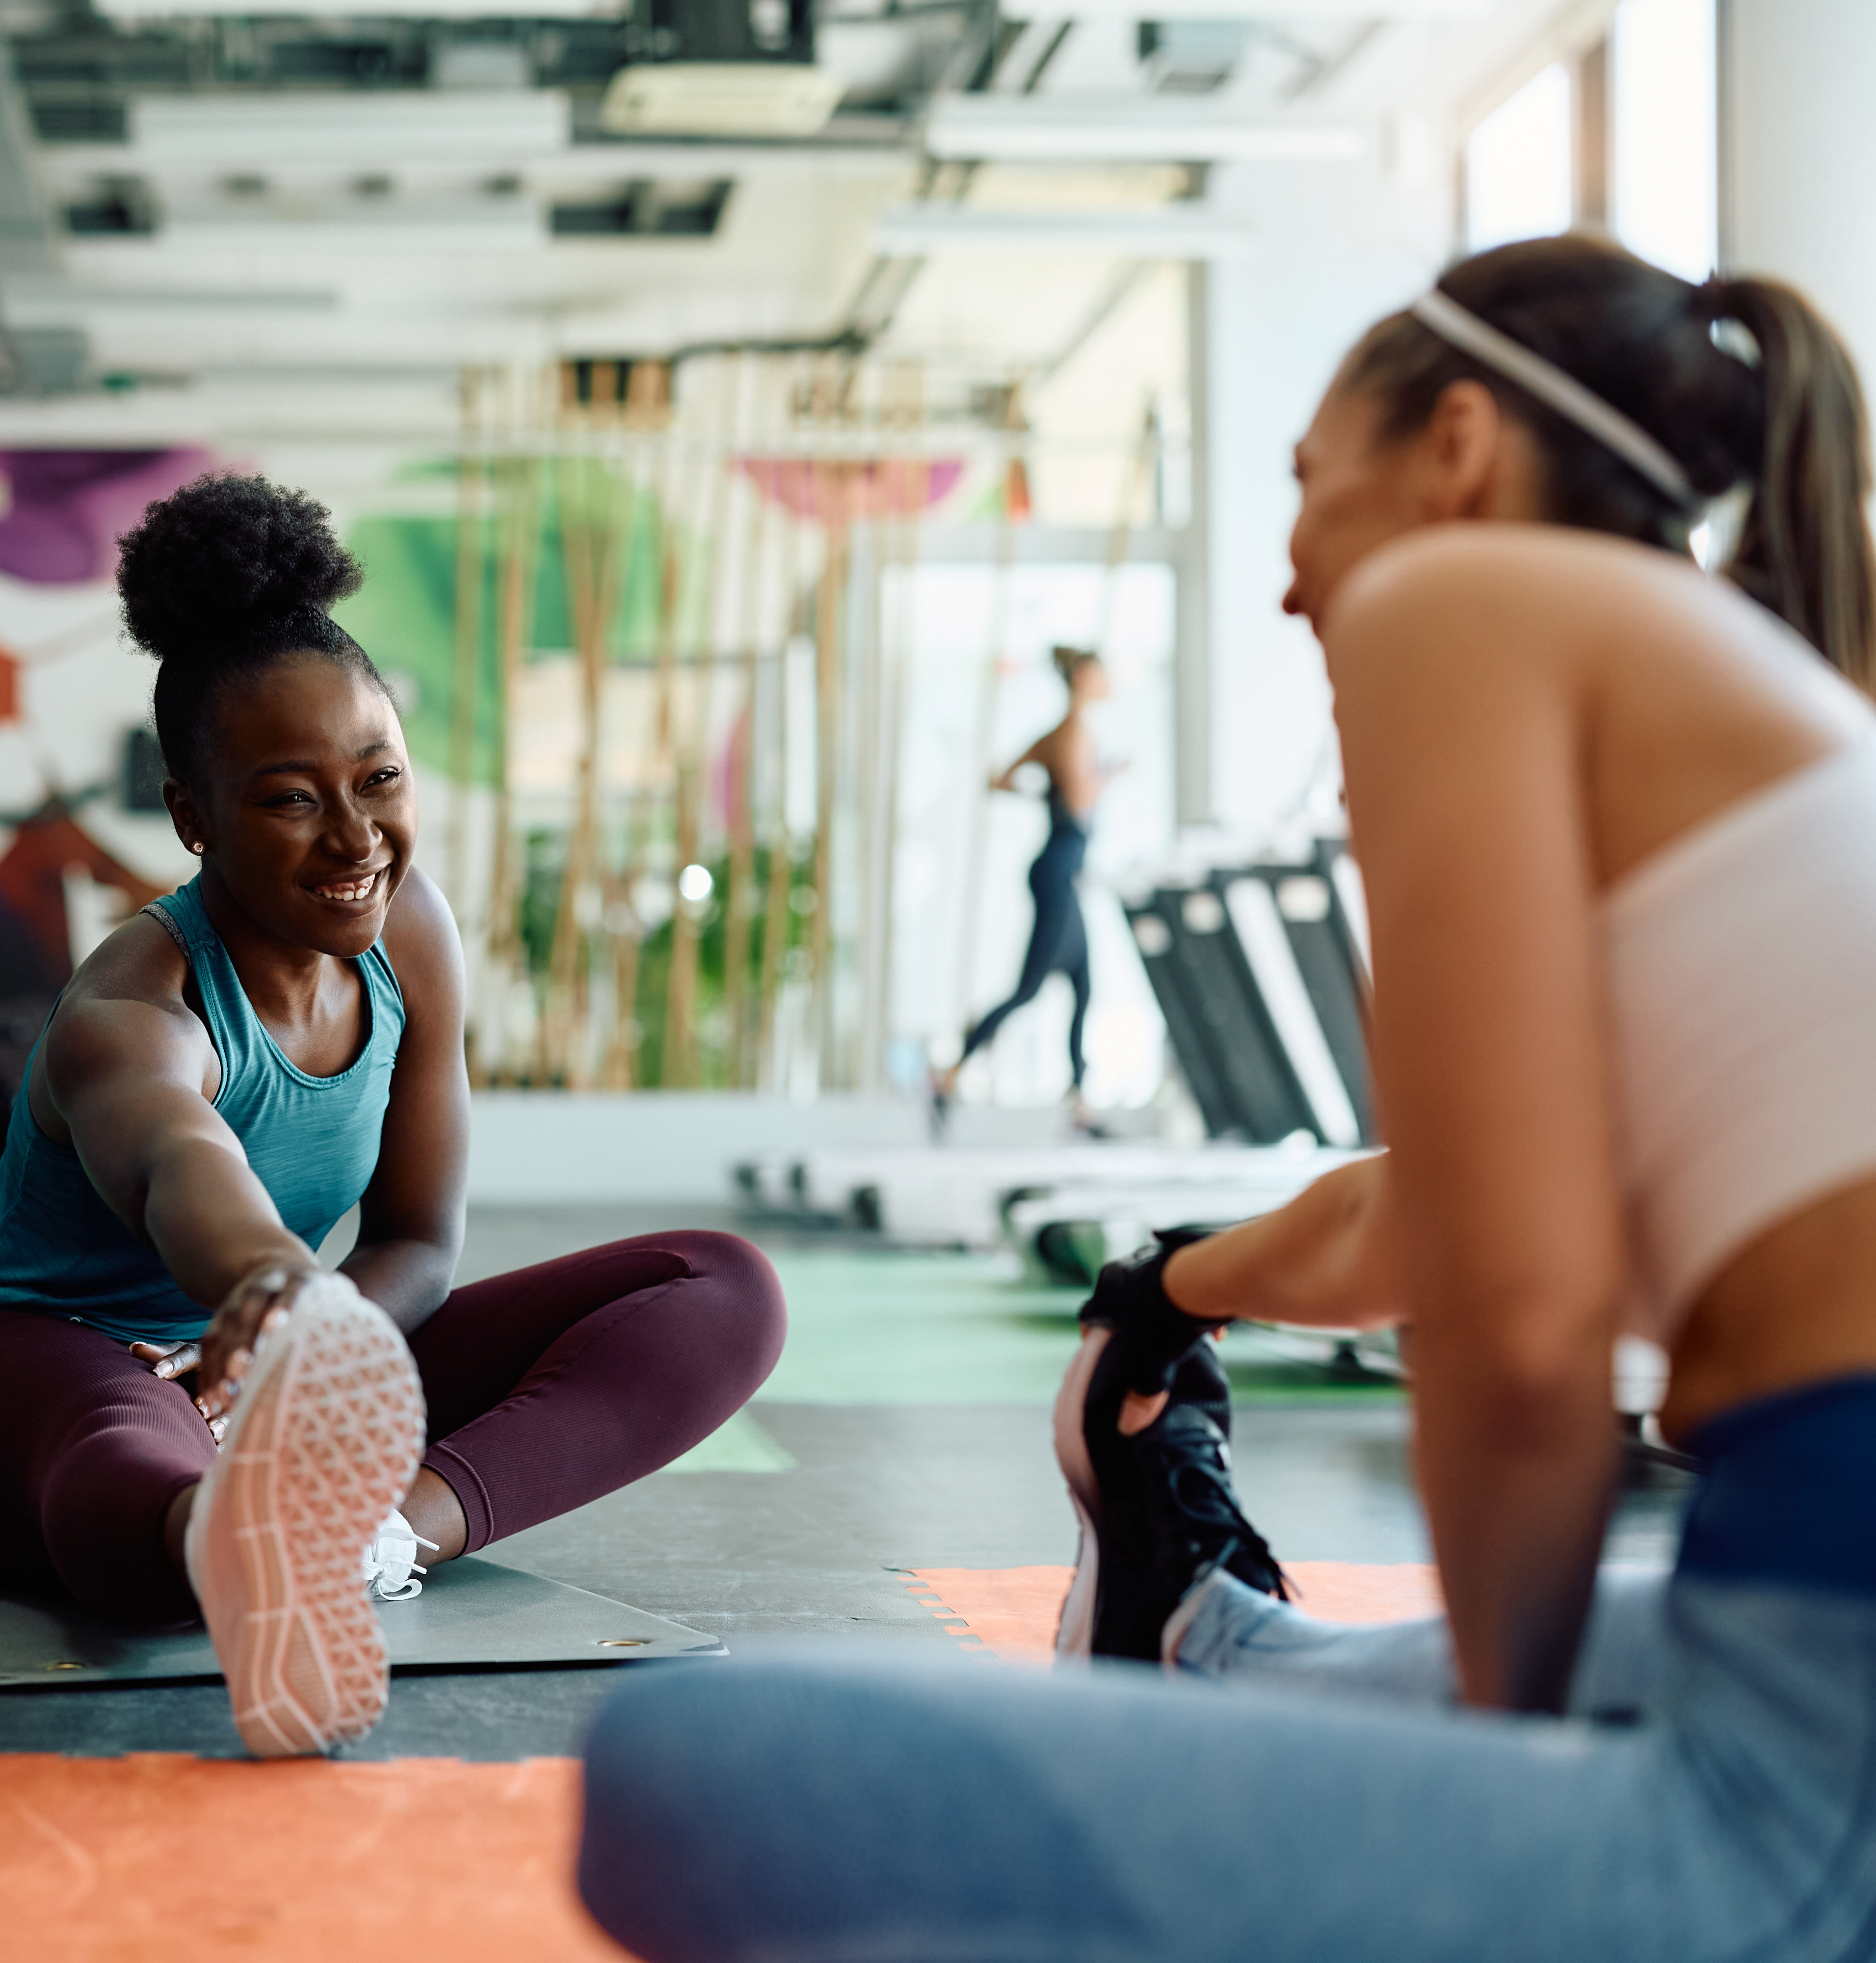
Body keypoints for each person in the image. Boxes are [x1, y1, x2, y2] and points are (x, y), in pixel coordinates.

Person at [577, 235, 1876, 1960]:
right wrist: (1166, 1293)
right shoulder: (1763, 703)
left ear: (1464, 447)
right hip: (1793, 1624)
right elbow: (1422, 1217)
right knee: (1332, 1679)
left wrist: (1487, 1809)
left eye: (1301, 483)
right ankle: (1207, 1636)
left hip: (1815, 1754)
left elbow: (1523, 1333)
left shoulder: (1466, 603)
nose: (1285, 581)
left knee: (691, 1774)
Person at [0, 474, 787, 1759]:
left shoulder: (410, 941)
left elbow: (418, 1239)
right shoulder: (131, 1006)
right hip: (30, 1376)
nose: (357, 837)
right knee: (124, 1438)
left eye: (380, 778)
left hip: (281, 1363)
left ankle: (371, 1542)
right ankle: (215, 1539)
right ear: (193, 817)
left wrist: (305, 1340)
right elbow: (179, 1153)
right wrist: (269, 1292)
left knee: (723, 1285)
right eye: (292, 797)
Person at [935, 644, 1112, 1125]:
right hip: (1058, 869)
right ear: (1082, 679)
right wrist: (1107, 776)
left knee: (1082, 984)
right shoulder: (1074, 735)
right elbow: (1079, 802)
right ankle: (951, 1070)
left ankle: (1079, 1099)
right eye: (1102, 674)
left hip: (1059, 871)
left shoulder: (1055, 734)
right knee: (1030, 989)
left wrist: (1042, 791)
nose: (1109, 681)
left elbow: (1001, 781)